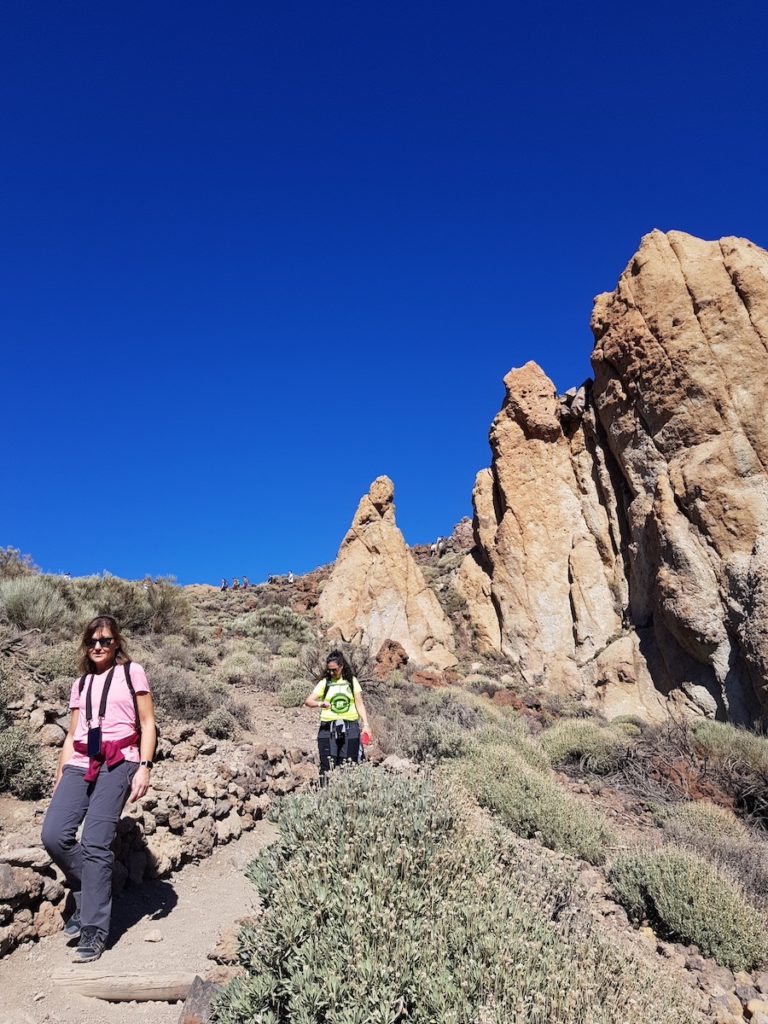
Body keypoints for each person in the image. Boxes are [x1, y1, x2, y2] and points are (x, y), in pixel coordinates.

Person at [41, 616, 157, 964]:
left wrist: (145, 768)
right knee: (54, 834)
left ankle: (94, 927)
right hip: (80, 761)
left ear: (116, 642)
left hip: (120, 760)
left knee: (95, 840)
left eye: (105, 640)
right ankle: (93, 888)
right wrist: (61, 771)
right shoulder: (80, 683)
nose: (98, 647)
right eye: (92, 641)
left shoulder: (131, 672)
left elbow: (148, 722)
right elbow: (72, 732)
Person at [304, 651, 371, 784]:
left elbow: (359, 704)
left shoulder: (351, 682)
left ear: (341, 666)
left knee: (350, 764)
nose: (331, 673)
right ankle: (324, 794)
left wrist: (366, 725)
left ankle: (348, 796)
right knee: (327, 765)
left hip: (350, 726)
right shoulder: (325, 683)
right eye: (329, 670)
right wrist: (320, 703)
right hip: (328, 727)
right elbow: (308, 701)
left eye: (334, 670)